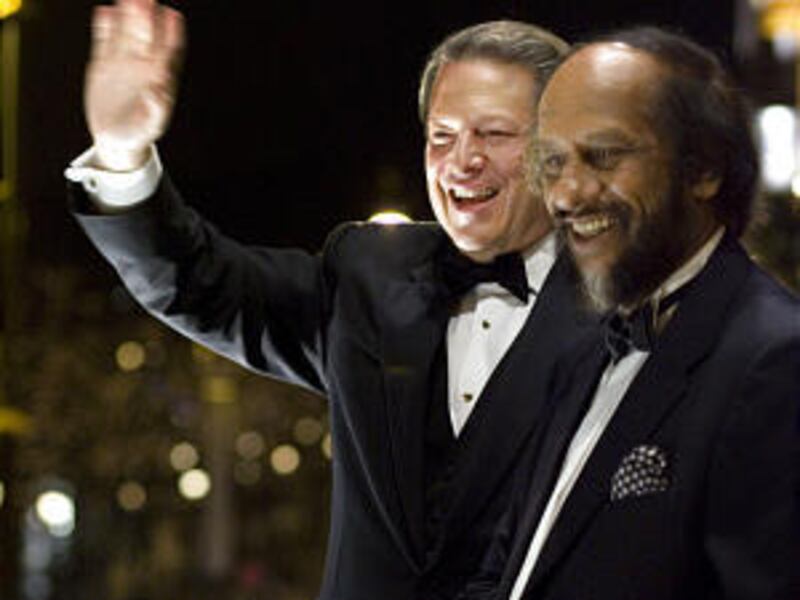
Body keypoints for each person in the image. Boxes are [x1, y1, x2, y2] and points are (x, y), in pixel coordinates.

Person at [65, 2, 595, 598]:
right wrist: (121, 156)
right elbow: (198, 284)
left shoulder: (627, 307)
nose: (461, 160)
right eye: (441, 136)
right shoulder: (367, 276)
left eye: (494, 134)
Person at [460, 27, 800, 600]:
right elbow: (505, 573)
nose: (567, 194)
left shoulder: (778, 361)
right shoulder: (582, 354)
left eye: (604, 156)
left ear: (704, 169)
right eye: (553, 162)